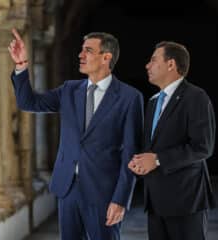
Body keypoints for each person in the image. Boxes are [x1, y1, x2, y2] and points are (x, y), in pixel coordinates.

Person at [8, 28, 143, 240]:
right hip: (67, 188)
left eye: (88, 50)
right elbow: (29, 102)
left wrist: (121, 199)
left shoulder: (129, 97)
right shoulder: (69, 90)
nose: (80, 55)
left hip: (104, 192)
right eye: (81, 50)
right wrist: (21, 65)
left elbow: (131, 152)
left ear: (106, 57)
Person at [128, 41, 216, 240]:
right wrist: (140, 161)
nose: (147, 66)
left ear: (171, 64)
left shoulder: (196, 97)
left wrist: (158, 159)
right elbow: (152, 146)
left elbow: (203, 147)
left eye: (153, 60)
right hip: (155, 202)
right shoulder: (152, 101)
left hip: (186, 200)